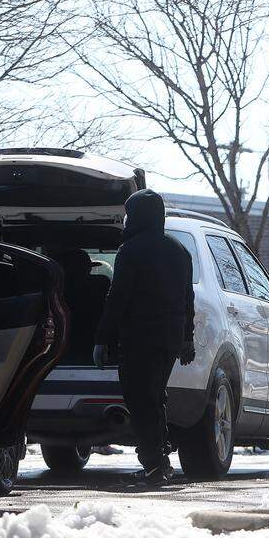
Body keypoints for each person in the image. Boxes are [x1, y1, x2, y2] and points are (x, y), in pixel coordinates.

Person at [94, 189, 196, 486]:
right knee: (155, 398)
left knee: (141, 402)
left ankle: (154, 466)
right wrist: (187, 338)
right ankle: (159, 463)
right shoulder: (179, 250)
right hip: (170, 338)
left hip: (141, 337)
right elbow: (187, 299)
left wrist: (103, 337)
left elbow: (119, 298)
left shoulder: (132, 250)